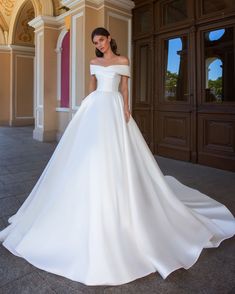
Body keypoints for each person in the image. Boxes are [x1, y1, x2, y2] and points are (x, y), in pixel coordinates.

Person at [0, 27, 234, 286]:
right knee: (88, 155)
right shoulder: (93, 62)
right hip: (95, 108)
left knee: (116, 154)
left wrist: (126, 110)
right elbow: (91, 88)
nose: (98, 45)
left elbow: (124, 88)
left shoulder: (123, 61)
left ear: (109, 38)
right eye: (95, 42)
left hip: (113, 108)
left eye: (101, 40)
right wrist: (84, 111)